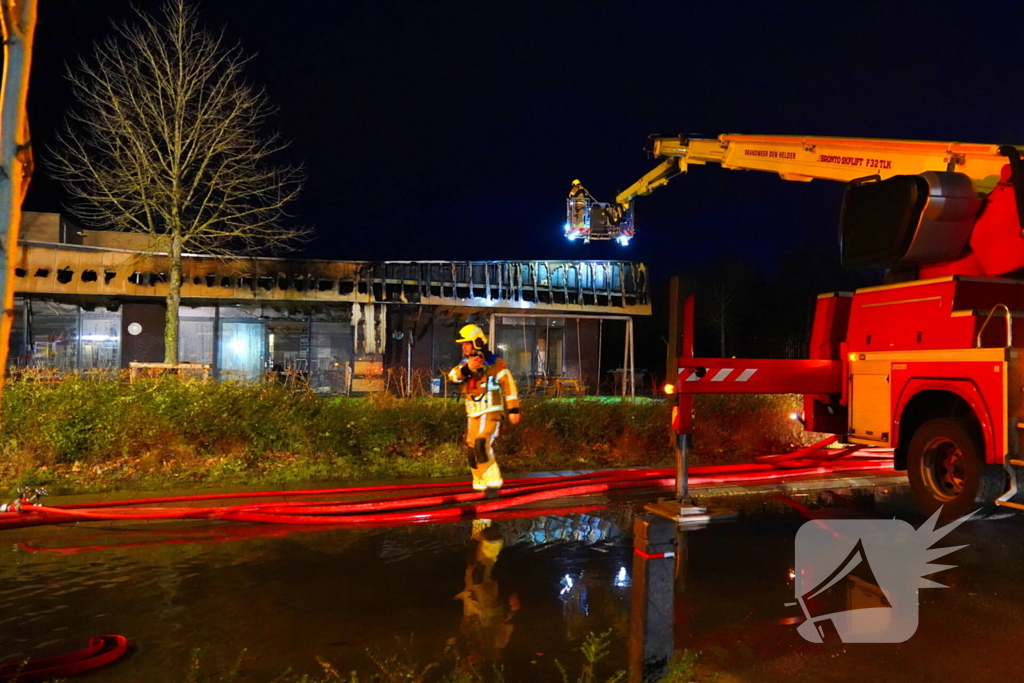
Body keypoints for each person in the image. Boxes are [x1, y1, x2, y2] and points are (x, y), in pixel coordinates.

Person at [448, 324, 520, 498]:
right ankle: (480, 481)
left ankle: (493, 482)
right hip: (473, 411)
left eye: (467, 343)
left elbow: (508, 384)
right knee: (472, 449)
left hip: (491, 410)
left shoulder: (495, 363)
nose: (464, 347)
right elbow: (453, 376)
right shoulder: (465, 364)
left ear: (477, 342)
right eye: (463, 344)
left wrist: (514, 409)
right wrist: (468, 369)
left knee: (482, 444)